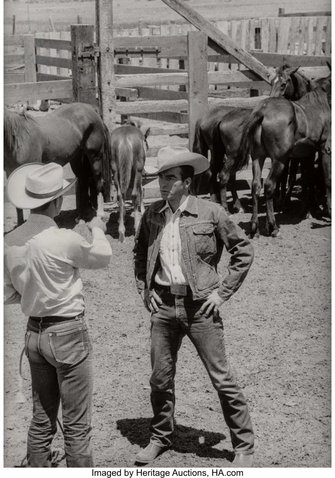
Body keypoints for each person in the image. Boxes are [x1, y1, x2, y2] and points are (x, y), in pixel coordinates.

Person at [133, 146, 255, 467]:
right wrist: (146, 291)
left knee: (221, 377)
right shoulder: (152, 215)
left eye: (170, 177)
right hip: (163, 307)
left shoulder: (210, 212)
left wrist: (222, 292)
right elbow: (139, 253)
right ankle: (160, 437)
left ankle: (243, 445)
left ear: (187, 182)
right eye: (160, 177)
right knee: (160, 378)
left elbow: (243, 250)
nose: (163, 184)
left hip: (201, 306)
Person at [4, 162, 112, 467]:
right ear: (57, 201)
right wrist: (98, 230)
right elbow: (103, 257)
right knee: (77, 425)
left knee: (42, 419)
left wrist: (32, 291)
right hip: (67, 332)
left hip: (34, 335)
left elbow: (7, 292)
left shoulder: (10, 242)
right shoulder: (64, 238)